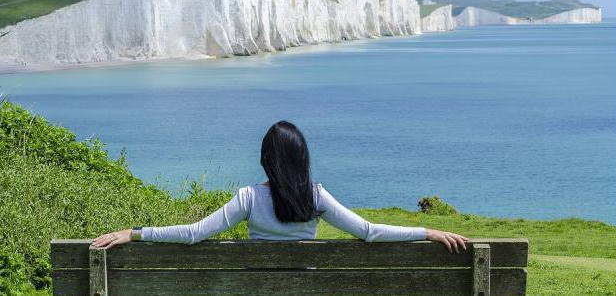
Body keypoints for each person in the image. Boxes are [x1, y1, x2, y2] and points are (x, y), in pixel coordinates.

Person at [94, 121, 468, 252]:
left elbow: (194, 234)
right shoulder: (316, 195)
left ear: (266, 159)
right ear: (301, 158)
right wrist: (427, 231)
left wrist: (135, 233)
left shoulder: (248, 198)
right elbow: (369, 232)